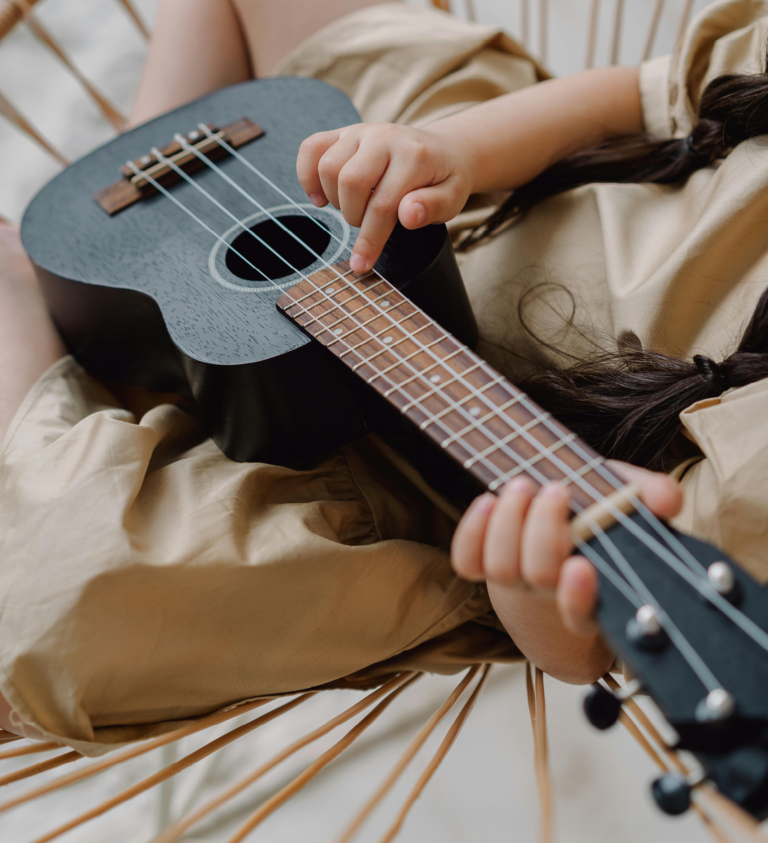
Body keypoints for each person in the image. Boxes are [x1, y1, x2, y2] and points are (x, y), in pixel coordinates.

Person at [0, 0, 766, 751]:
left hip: (422, 463)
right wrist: (451, 149)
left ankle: (63, 289)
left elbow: (581, 647)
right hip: (477, 191)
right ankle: (130, 238)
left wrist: (530, 572)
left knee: (50, 615)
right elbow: (637, 97)